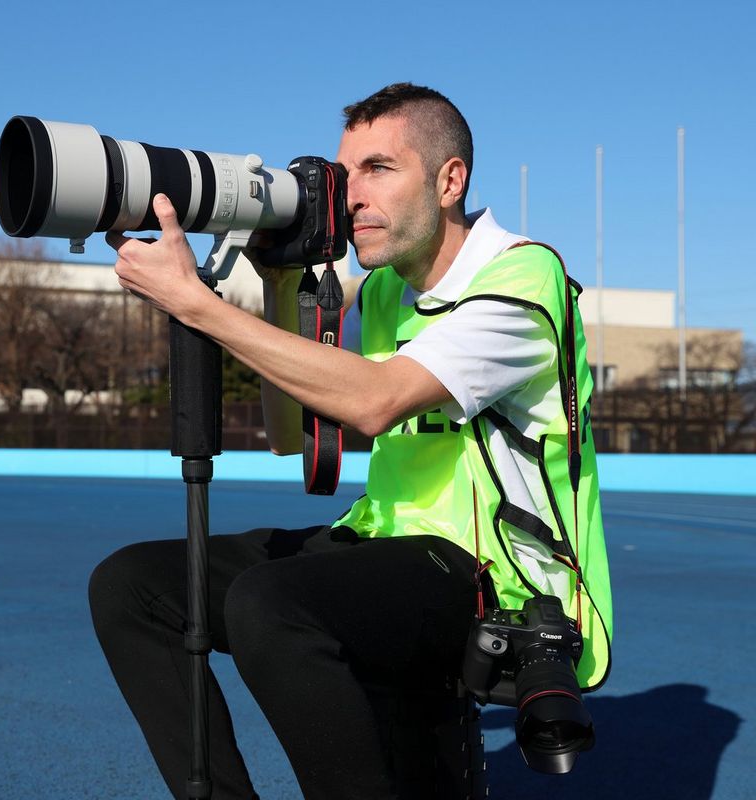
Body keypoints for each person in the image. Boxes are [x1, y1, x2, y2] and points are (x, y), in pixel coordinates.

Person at [89, 83, 612, 800]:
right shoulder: (386, 290)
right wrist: (275, 284)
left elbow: (373, 402)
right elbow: (293, 435)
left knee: (273, 602)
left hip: (498, 578)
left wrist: (196, 305)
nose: (349, 194)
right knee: (134, 586)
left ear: (449, 180)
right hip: (386, 542)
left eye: (378, 169)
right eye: (344, 172)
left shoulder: (523, 278)